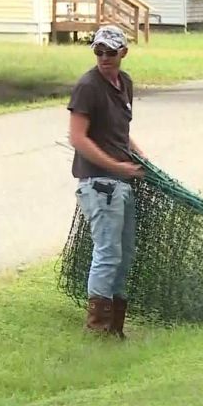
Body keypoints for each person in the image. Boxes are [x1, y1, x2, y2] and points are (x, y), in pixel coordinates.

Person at [67, 25, 146, 338]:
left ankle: (116, 329)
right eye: (98, 51)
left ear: (123, 53)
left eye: (110, 52)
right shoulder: (88, 86)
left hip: (122, 182)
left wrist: (140, 157)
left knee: (124, 256)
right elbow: (77, 138)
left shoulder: (124, 83)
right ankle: (97, 331)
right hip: (99, 185)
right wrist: (115, 166)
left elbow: (121, 133)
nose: (103, 58)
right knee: (107, 253)